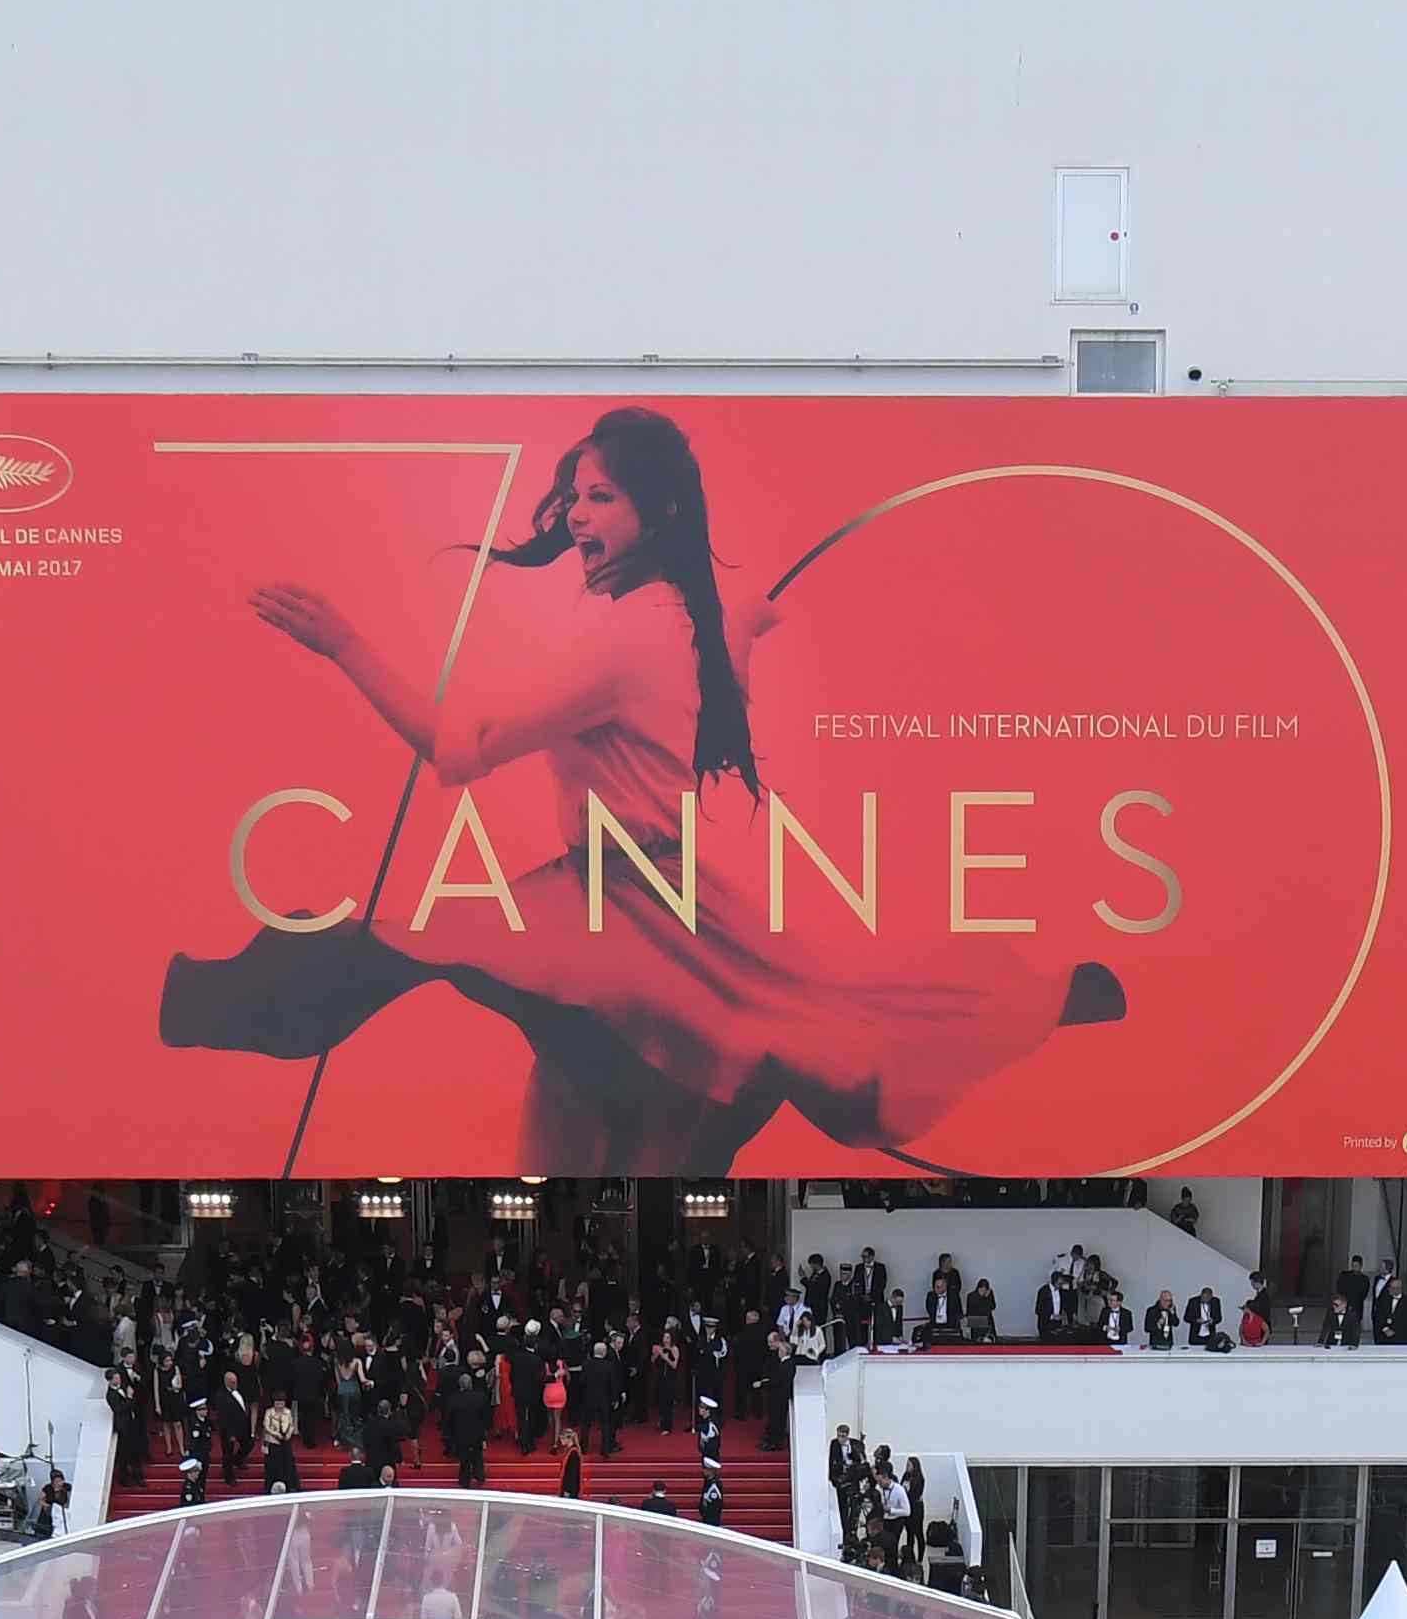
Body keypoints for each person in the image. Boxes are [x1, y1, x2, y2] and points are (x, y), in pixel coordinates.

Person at [160, 405, 1136, 1172]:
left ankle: (191, 1003)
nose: (577, 516)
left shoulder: (628, 635)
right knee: (601, 1084)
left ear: (655, 513)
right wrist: (741, 630)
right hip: (662, 905)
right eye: (574, 496)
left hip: (624, 914)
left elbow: (459, 749)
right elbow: (709, 722)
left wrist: (343, 645)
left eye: (603, 498)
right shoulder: (682, 619)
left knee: (387, 951)